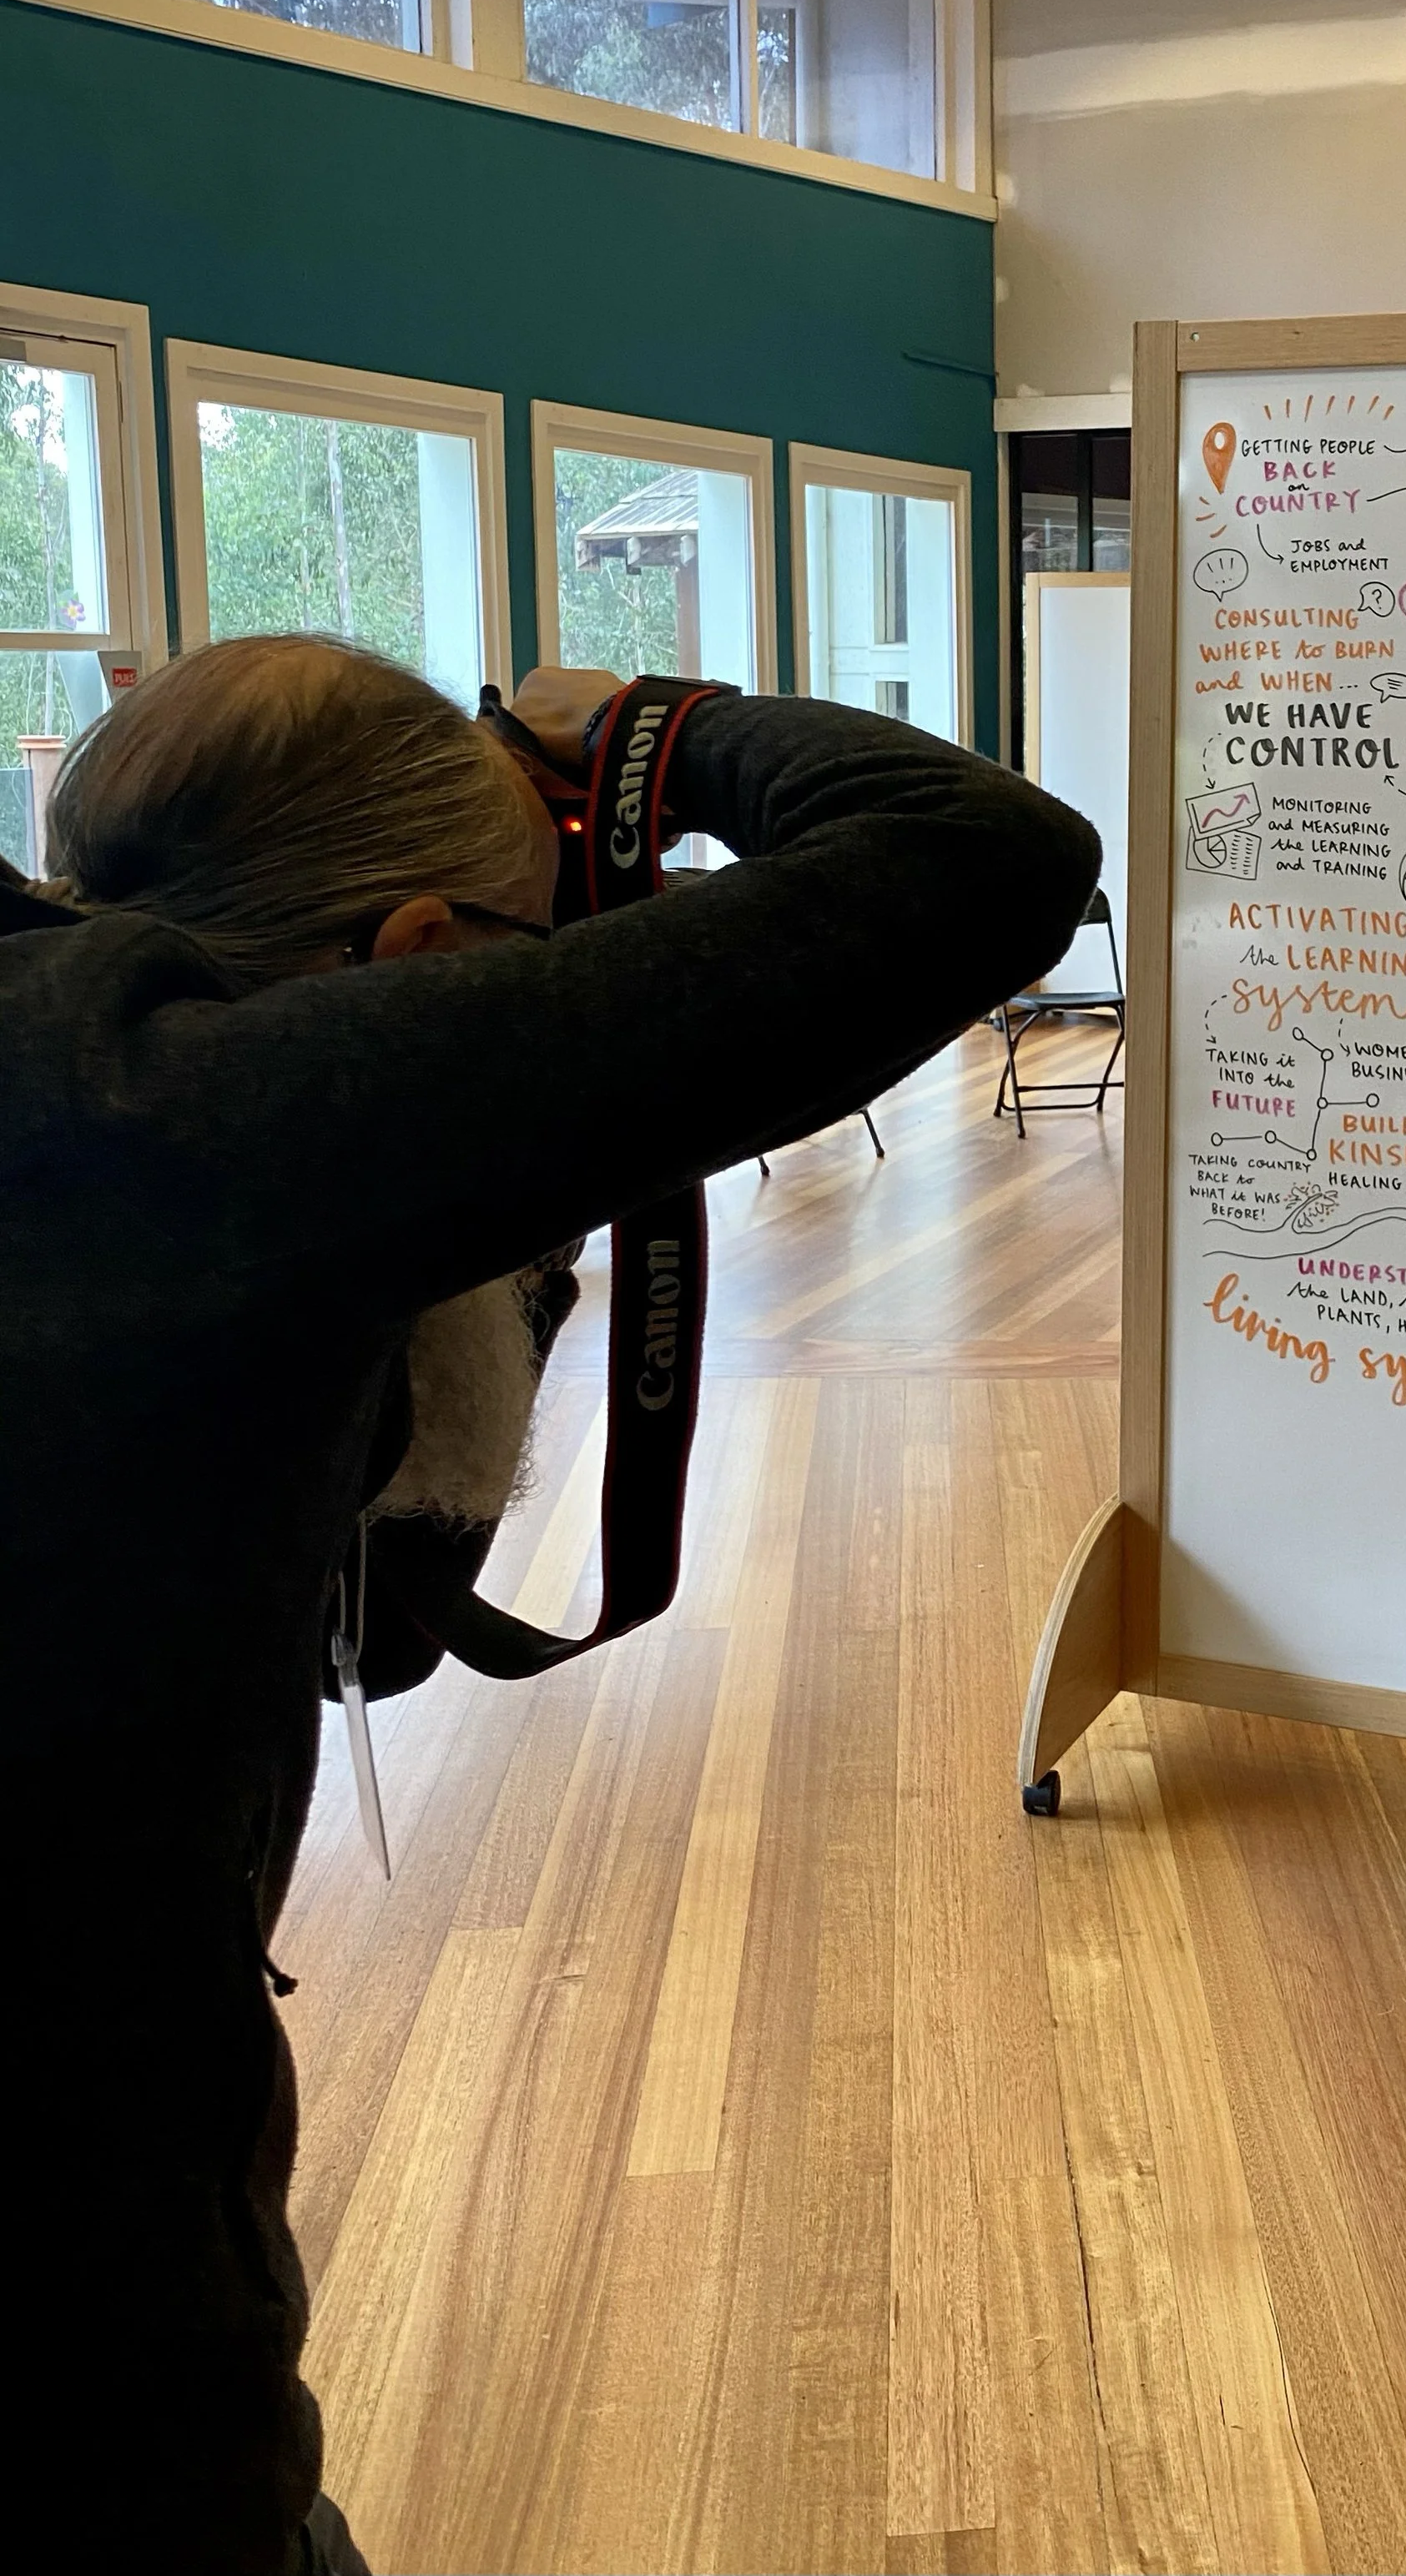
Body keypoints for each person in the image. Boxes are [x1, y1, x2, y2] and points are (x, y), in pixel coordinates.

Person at [0, 637, 1099, 2573]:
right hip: (78, 2212)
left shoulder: (78, 1069)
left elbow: (375, 1620)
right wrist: (641, 726)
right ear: (425, 952)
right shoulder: (224, 1135)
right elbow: (987, 853)